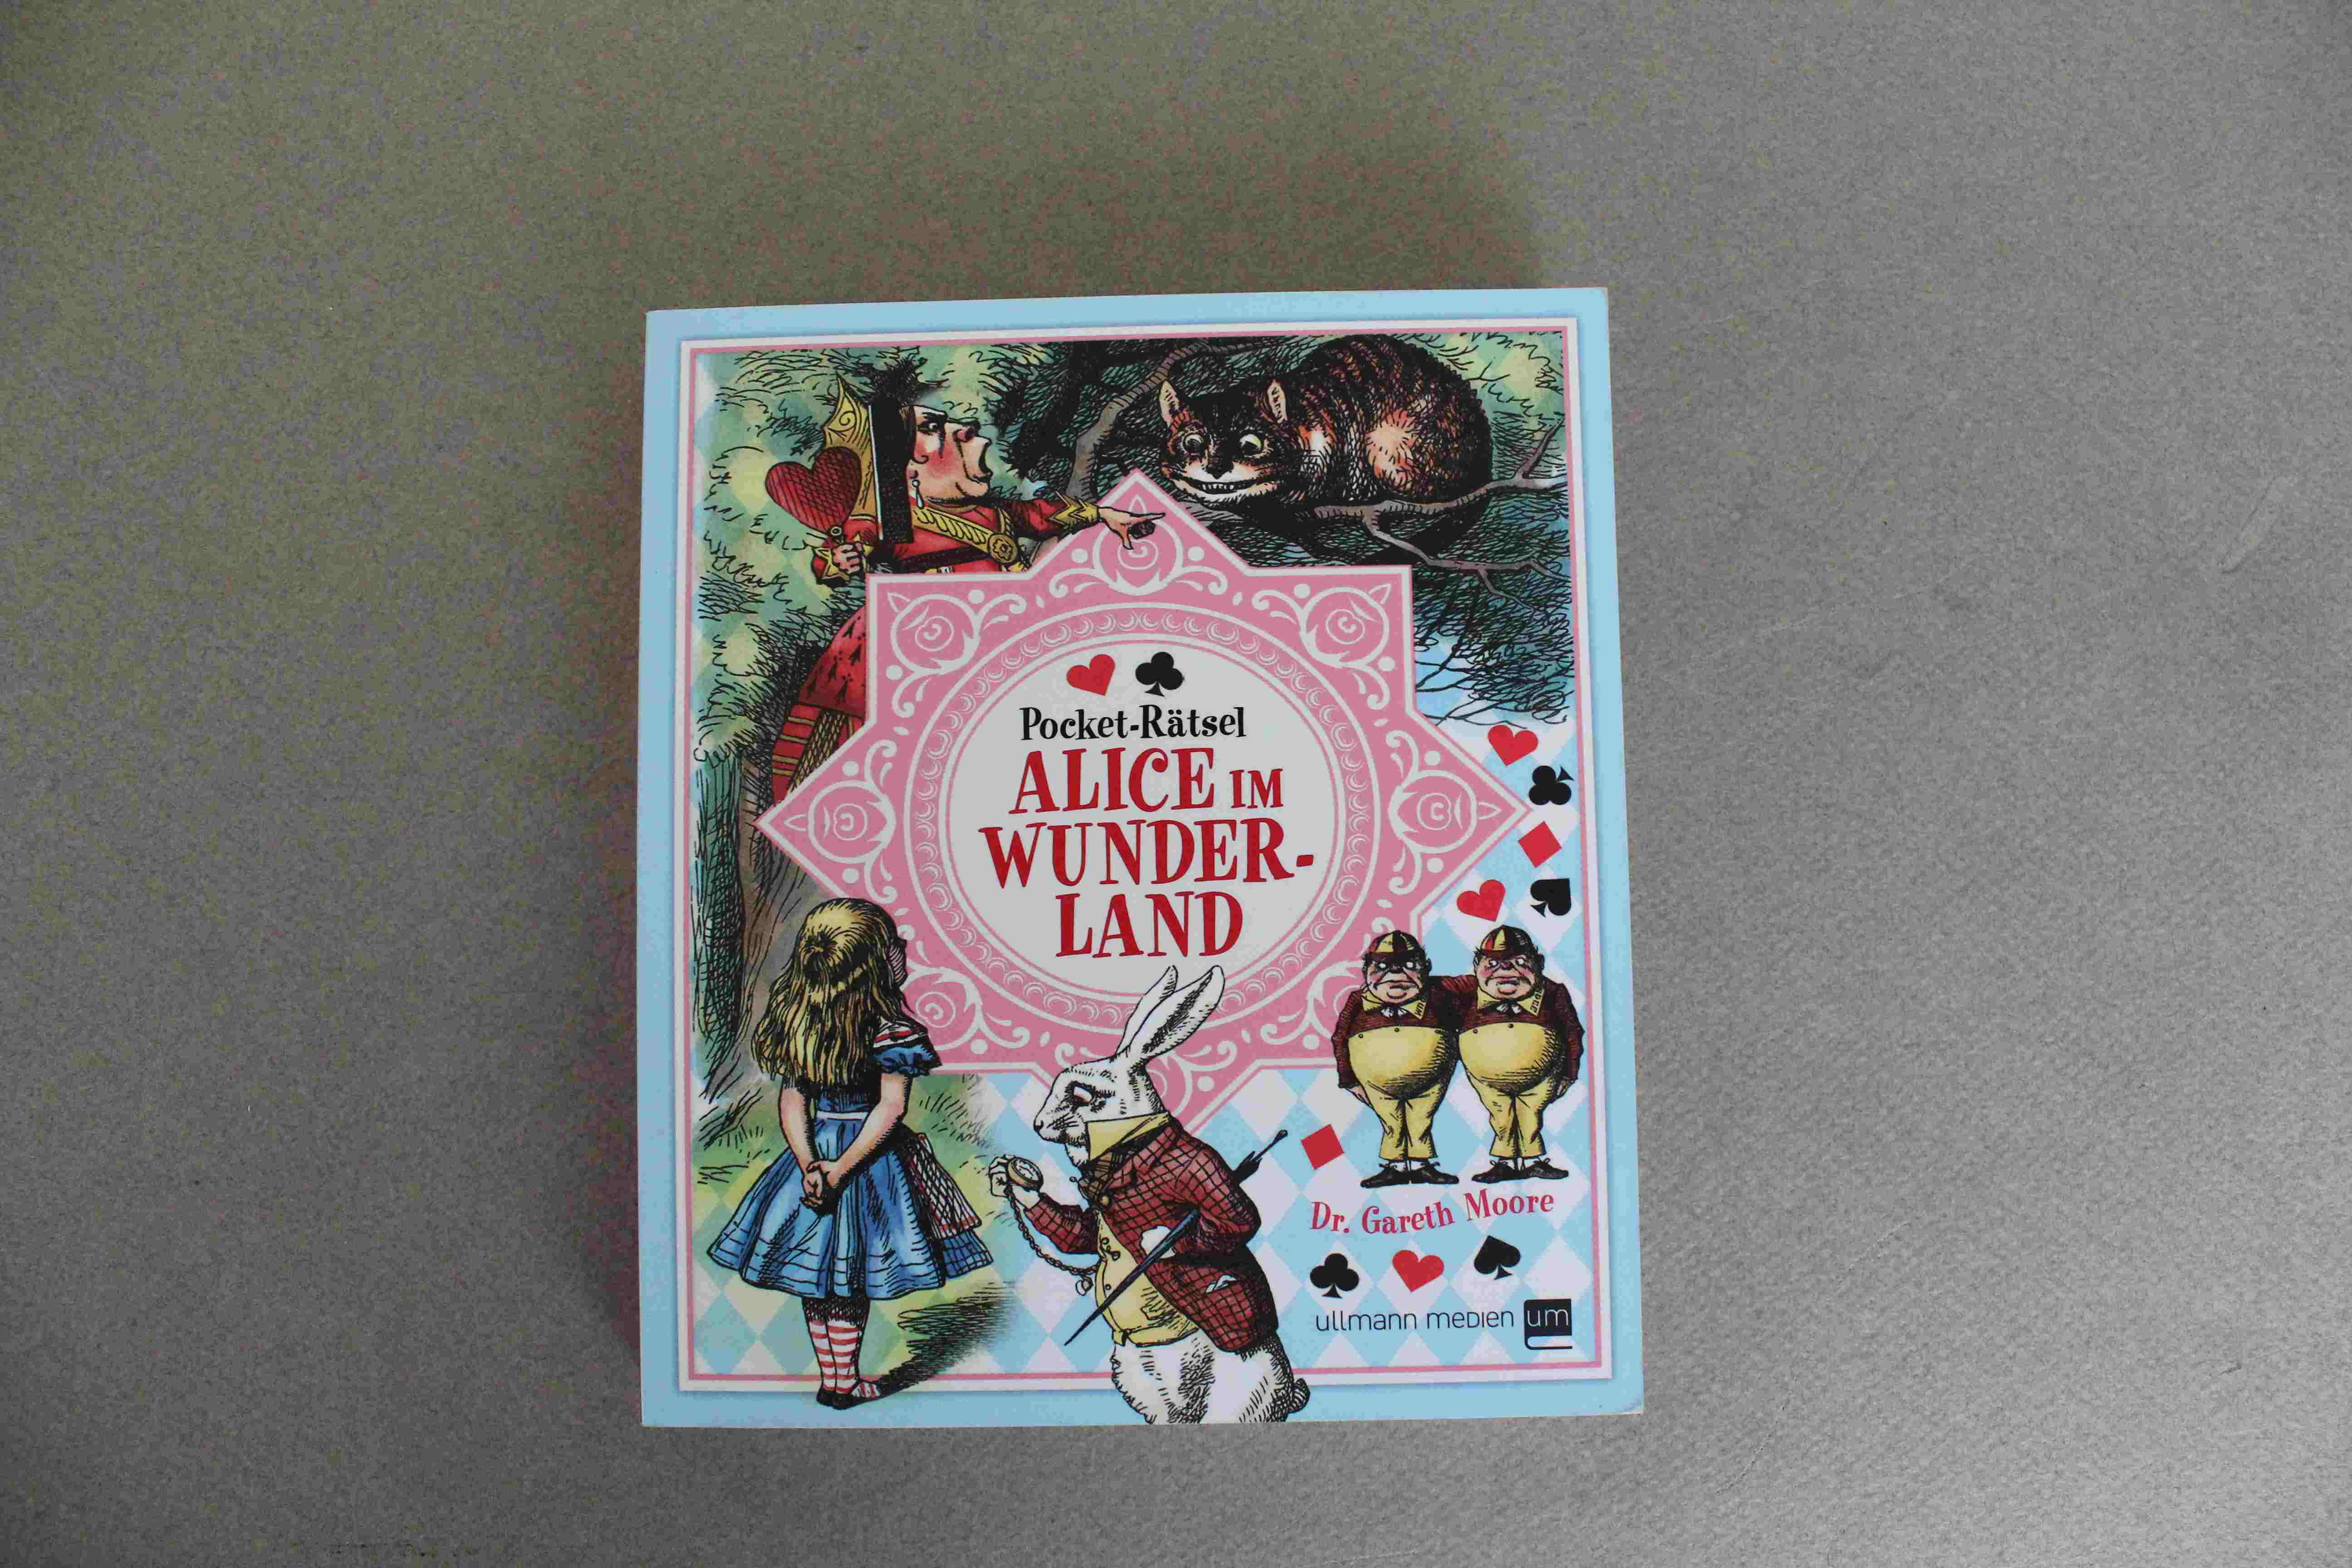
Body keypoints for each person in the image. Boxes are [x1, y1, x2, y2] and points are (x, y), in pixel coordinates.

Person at [762, 375, 1162, 799]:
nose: (966, 431)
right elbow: (841, 552)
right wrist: (840, 561)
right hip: (923, 644)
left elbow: (1044, 514)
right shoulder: (892, 518)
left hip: (1000, 638)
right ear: (906, 466)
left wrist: (1105, 515)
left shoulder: (997, 513)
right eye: (932, 428)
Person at [706, 898, 990, 1407]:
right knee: (847, 1278)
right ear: (876, 965)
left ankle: (836, 1379)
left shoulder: (802, 1023)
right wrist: (837, 1171)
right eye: (895, 945)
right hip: (868, 1164)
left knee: (821, 1278)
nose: (905, 949)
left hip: (815, 1158)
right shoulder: (891, 1030)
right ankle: (845, 1382)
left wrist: (809, 1166)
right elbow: (890, 1109)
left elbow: (793, 1101)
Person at [1438, 926, 1584, 1184]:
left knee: (1531, 1115)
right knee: (1501, 1117)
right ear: (1477, 966)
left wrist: (1569, 1074)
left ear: (1539, 964)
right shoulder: (1468, 988)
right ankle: (1505, 1163)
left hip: (1542, 1076)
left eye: (1519, 962)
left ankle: (1533, 1161)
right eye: (1493, 963)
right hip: (1487, 1079)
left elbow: (1573, 1032)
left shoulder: (1553, 991)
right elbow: (1431, 984)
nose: (1506, 970)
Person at [1330, 931, 1463, 1186]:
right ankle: (1395, 1167)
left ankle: (1422, 1165)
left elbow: (1476, 989)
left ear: (1426, 968)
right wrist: (1349, 1080)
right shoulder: (1357, 1000)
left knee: (1421, 1120)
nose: (1396, 975)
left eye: (1409, 965)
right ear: (1366, 971)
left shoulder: (1440, 992)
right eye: (1382, 967)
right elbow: (1340, 1038)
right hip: (1377, 1083)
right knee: (1391, 1122)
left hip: (1431, 1079)